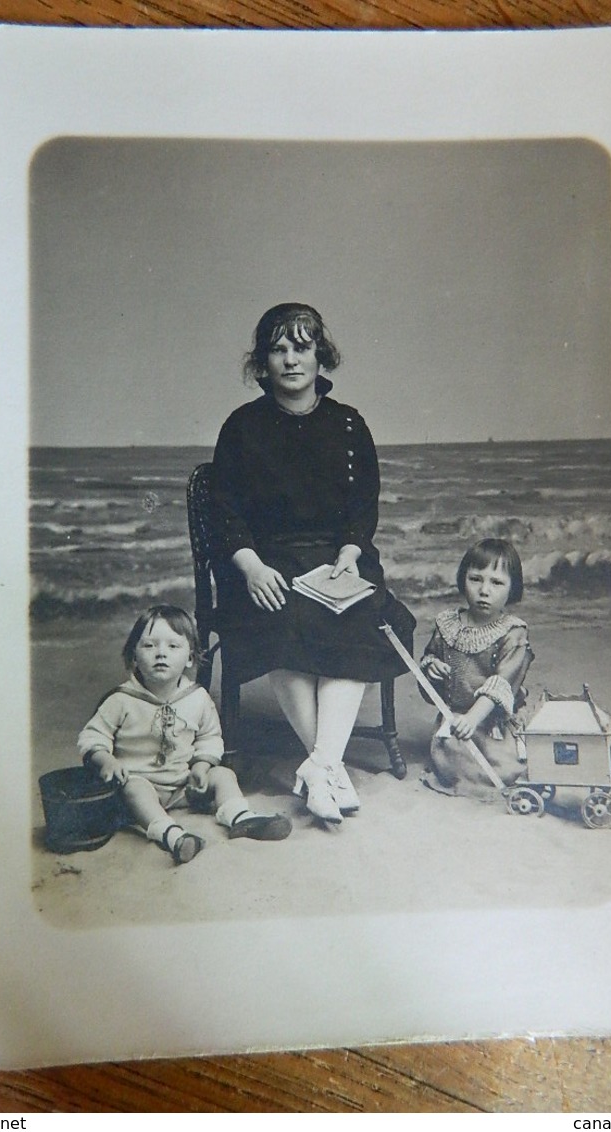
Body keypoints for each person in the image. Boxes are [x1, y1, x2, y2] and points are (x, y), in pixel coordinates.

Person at [210, 302, 415, 825]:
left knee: (363, 617)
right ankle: (330, 768)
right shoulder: (241, 428)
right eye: (278, 349)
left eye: (301, 348)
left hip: (337, 557)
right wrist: (251, 567)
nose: (291, 360)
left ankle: (319, 764)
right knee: (282, 614)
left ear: (320, 355)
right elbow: (225, 512)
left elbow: (361, 508)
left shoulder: (349, 425)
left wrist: (349, 555)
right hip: (266, 561)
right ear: (263, 362)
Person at [77, 604, 292, 864]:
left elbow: (209, 738)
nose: (160, 654)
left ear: (190, 658)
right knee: (134, 789)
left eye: (173, 646)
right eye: (149, 646)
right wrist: (106, 760)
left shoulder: (197, 698)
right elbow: (92, 737)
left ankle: (238, 816)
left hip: (183, 785)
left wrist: (201, 766)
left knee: (223, 774)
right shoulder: (122, 700)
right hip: (140, 786)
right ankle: (171, 835)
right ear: (133, 656)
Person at [418, 538, 534, 799]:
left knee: (502, 766)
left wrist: (473, 719)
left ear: (512, 588)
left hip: (492, 719)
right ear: (463, 580)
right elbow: (429, 674)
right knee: (451, 758)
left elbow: (503, 682)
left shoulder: (513, 634)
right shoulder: (448, 625)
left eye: (497, 583)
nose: (484, 591)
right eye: (475, 579)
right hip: (456, 717)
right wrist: (432, 669)